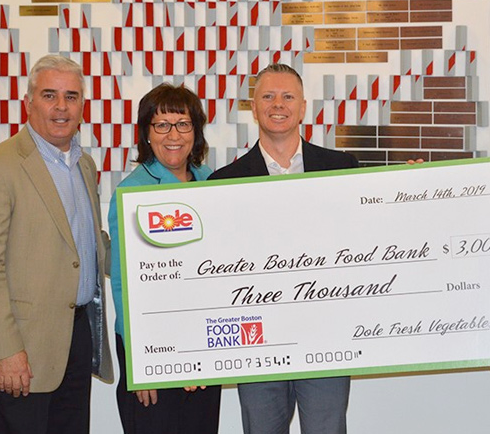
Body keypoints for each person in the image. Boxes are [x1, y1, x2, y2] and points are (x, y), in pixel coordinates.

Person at [0, 55, 113, 434]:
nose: (61, 107)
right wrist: (6, 350)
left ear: (82, 105)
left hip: (74, 344)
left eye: (71, 96)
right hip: (18, 354)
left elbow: (86, 245)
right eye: (50, 95)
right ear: (29, 102)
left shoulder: (84, 165)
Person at [209, 63, 358, 434]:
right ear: (254, 107)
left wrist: (413, 181)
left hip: (326, 338)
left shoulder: (342, 168)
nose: (278, 104)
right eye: (268, 96)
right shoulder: (222, 183)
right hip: (256, 340)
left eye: (288, 96)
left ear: (303, 107)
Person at [107, 83, 221, 434]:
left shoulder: (214, 183)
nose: (173, 135)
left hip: (204, 340)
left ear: (196, 132)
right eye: (161, 125)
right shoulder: (133, 191)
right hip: (152, 345)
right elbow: (124, 285)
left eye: (183, 124)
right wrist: (142, 364)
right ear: (147, 133)